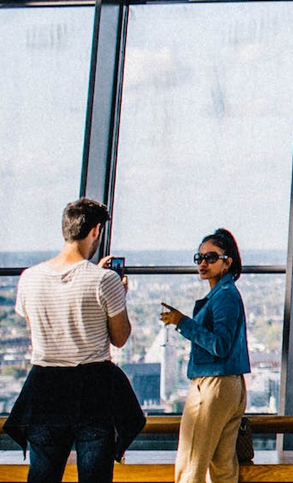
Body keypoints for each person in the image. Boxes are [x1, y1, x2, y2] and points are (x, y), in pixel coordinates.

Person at [2, 198, 145, 483]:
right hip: (92, 389)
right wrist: (118, 292)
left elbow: (36, 330)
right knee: (94, 476)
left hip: (45, 387)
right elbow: (120, 338)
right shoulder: (104, 281)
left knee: (43, 473)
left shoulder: (29, 279)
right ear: (95, 231)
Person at [160, 229, 251, 483]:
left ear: (227, 261)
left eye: (211, 257)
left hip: (212, 386)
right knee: (222, 469)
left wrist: (182, 323)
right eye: (199, 257)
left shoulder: (224, 297)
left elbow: (220, 345)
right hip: (231, 387)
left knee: (190, 467)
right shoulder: (227, 294)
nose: (202, 263)